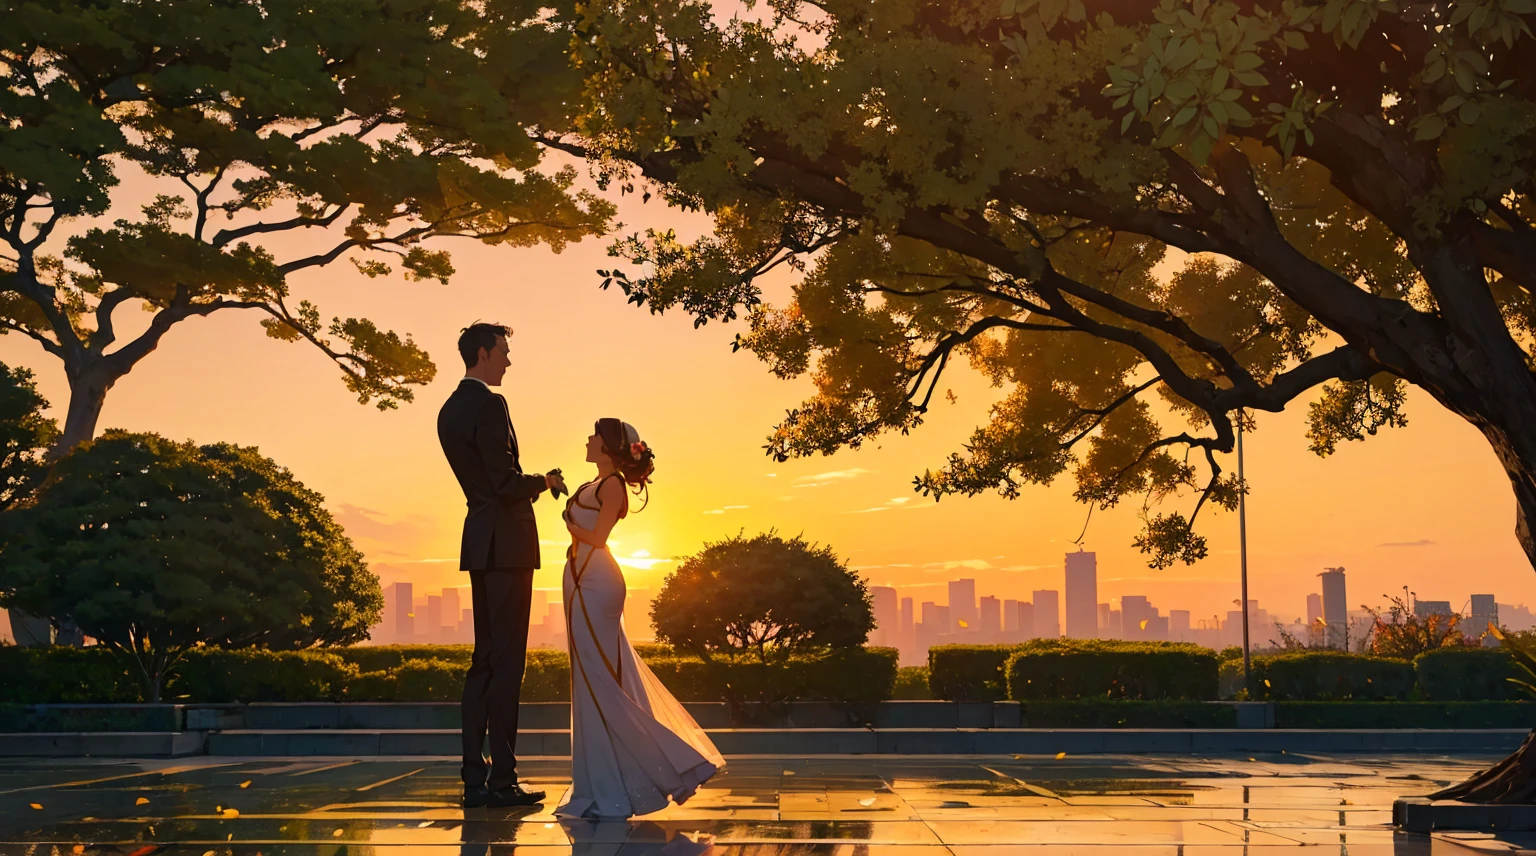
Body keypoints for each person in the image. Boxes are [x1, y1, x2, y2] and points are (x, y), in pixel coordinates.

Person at [556, 418, 724, 820]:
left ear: (610, 447)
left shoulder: (612, 485)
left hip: (597, 580)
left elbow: (599, 537)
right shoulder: (589, 485)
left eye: (595, 435)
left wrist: (569, 524)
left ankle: (671, 763)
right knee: (589, 679)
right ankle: (599, 782)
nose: (588, 439)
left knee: (601, 680)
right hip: (578, 577)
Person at [437, 322, 567, 809]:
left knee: (483, 662)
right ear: (484, 352)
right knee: (508, 664)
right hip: (507, 545)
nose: (509, 361)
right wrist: (545, 480)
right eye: (505, 352)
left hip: (478, 542)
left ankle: (474, 778)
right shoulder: (491, 404)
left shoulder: (449, 410)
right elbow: (506, 482)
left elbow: (483, 484)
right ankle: (503, 781)